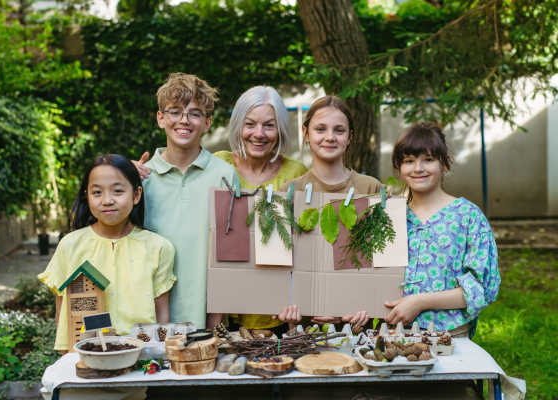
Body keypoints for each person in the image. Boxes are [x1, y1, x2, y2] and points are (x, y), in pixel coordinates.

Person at [38, 154, 176, 354]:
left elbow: (162, 312)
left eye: (118, 191)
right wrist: (67, 356)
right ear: (87, 195)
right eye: (97, 192)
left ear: (136, 195)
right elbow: (63, 311)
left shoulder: (159, 248)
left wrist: (160, 355)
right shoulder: (70, 245)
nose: (107, 200)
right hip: (85, 357)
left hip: (141, 357)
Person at [133, 73, 237, 330]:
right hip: (148, 319)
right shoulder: (141, 176)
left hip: (203, 316)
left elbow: (229, 251)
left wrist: (215, 322)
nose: (184, 120)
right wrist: (124, 179)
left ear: (207, 122)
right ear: (160, 118)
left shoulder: (224, 174)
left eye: (195, 113)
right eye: (175, 112)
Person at [384, 121, 500, 338]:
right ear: (399, 167)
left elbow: (482, 287)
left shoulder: (468, 216)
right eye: (409, 161)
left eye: (428, 159)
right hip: (393, 330)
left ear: (444, 164)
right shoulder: (391, 217)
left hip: (450, 332)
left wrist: (419, 302)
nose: (418, 168)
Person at [280, 95, 382, 330]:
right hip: (303, 329)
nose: (329, 137)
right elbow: (282, 264)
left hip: (357, 328)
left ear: (350, 137)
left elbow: (383, 263)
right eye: (320, 129)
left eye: (339, 130)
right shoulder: (290, 192)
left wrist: (356, 305)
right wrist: (287, 305)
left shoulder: (371, 189)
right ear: (306, 133)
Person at [214, 85, 309, 335]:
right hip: (225, 306)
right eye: (250, 124)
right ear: (238, 126)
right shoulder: (218, 165)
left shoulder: (296, 172)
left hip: (278, 309)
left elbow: (306, 240)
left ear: (280, 129)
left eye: (269, 125)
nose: (259, 134)